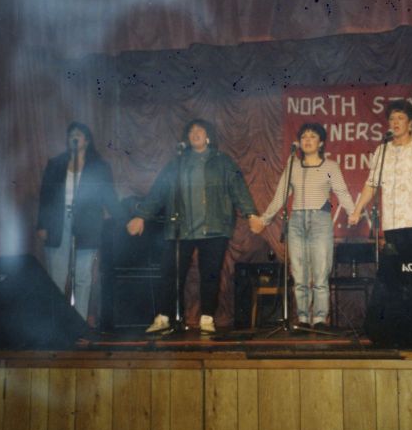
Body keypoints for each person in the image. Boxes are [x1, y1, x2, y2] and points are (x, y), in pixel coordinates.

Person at [127, 119, 259, 334]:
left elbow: (238, 188)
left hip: (214, 227)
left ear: (208, 135)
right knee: (170, 273)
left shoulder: (222, 162)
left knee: (210, 274)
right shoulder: (176, 163)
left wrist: (251, 214)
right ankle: (164, 317)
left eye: (200, 130)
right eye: (191, 131)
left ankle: (207, 317)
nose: (195, 133)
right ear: (186, 137)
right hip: (180, 228)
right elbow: (158, 192)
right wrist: (141, 216)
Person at [250, 123, 356, 330]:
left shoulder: (330, 166)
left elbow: (342, 192)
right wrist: (265, 219)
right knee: (299, 275)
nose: (307, 140)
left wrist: (353, 212)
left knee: (320, 274)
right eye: (304, 136)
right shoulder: (293, 166)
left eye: (313, 136)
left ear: (321, 142)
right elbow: (281, 195)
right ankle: (304, 318)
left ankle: (319, 319)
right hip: (297, 221)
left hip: (320, 221)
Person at [37, 121, 125, 322]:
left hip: (87, 226)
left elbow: (108, 195)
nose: (74, 137)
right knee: (57, 277)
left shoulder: (99, 166)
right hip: (57, 224)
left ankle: (79, 322)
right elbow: (46, 196)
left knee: (83, 277)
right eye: (71, 135)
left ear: (87, 140)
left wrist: (123, 219)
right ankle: (55, 323)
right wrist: (41, 224)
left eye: (78, 134)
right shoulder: (56, 163)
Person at [348, 100, 412, 254]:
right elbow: (371, 184)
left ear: (410, 123)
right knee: (398, 270)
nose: (395, 122)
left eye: (401, 117)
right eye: (392, 118)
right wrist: (357, 210)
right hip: (392, 223)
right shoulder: (382, 150)